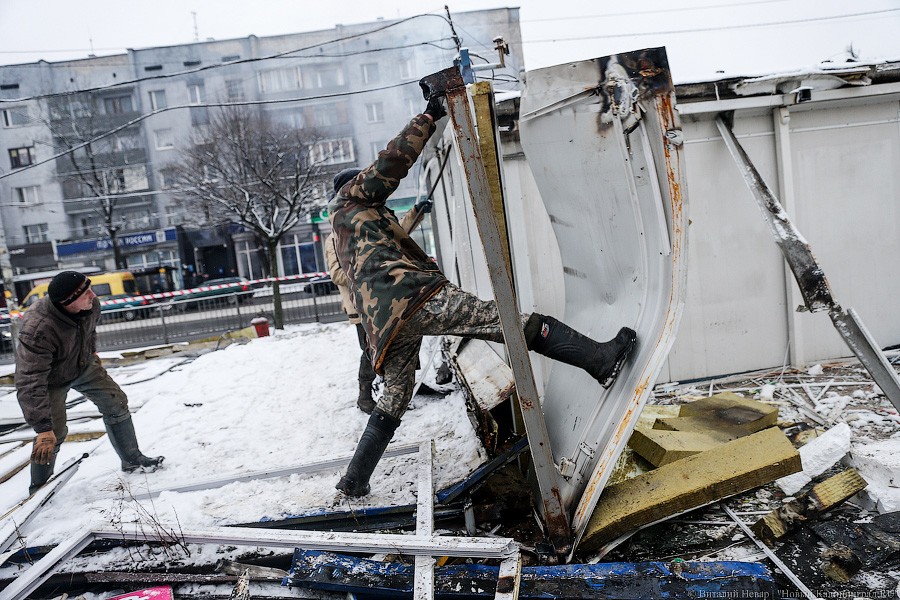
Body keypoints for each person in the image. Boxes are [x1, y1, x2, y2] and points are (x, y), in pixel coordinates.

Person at [329, 96, 637, 497]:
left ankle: (354, 480)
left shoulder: (349, 225)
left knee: (395, 396)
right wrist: (430, 115)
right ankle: (600, 360)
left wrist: (415, 215)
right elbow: (392, 162)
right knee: (505, 321)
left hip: (387, 323)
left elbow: (391, 239)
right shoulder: (353, 198)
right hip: (414, 298)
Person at [16, 271, 164, 495]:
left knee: (116, 402)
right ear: (68, 301)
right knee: (53, 434)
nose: (93, 296)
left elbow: (89, 329)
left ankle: (132, 460)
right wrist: (43, 428)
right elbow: (30, 378)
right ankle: (39, 491)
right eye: (86, 293)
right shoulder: (38, 328)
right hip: (50, 379)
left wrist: (91, 350)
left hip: (82, 364)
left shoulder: (91, 305)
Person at [325, 193, 433, 414]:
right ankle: (364, 396)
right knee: (370, 351)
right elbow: (336, 274)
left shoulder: (368, 228)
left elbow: (398, 232)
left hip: (388, 300)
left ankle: (409, 384)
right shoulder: (334, 238)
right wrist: (370, 273)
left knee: (403, 339)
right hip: (361, 308)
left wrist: (415, 212)